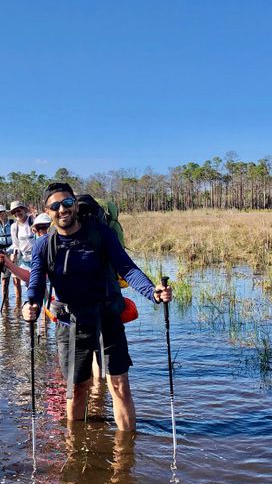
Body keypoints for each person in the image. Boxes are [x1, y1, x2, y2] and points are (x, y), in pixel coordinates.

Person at [22, 183, 172, 432]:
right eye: (56, 206)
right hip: (70, 325)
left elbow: (127, 268)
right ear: (47, 212)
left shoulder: (100, 234)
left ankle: (125, 460)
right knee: (77, 389)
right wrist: (32, 304)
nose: (63, 210)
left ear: (75, 205)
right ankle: (75, 451)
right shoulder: (43, 246)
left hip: (107, 318)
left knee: (120, 385)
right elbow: (37, 282)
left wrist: (152, 292)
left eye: (68, 203)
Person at [0, 212, 51, 282]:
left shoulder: (57, 246)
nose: (39, 232)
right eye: (36, 228)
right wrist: (8, 263)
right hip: (25, 261)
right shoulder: (38, 248)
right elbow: (32, 277)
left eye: (43, 227)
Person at [9, 200, 35, 298]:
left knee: (39, 285)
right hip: (24, 260)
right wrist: (14, 254)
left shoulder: (33, 220)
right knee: (28, 287)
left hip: (37, 258)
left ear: (24, 210)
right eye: (14, 212)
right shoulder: (14, 227)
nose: (17, 213)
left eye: (18, 210)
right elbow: (16, 244)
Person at [0, 205, 14, 297]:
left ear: (6, 213)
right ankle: (5, 303)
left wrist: (8, 251)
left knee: (16, 280)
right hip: (0, 254)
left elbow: (17, 241)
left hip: (13, 253)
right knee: (4, 280)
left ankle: (18, 302)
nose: (0, 214)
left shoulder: (13, 224)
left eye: (2, 212)